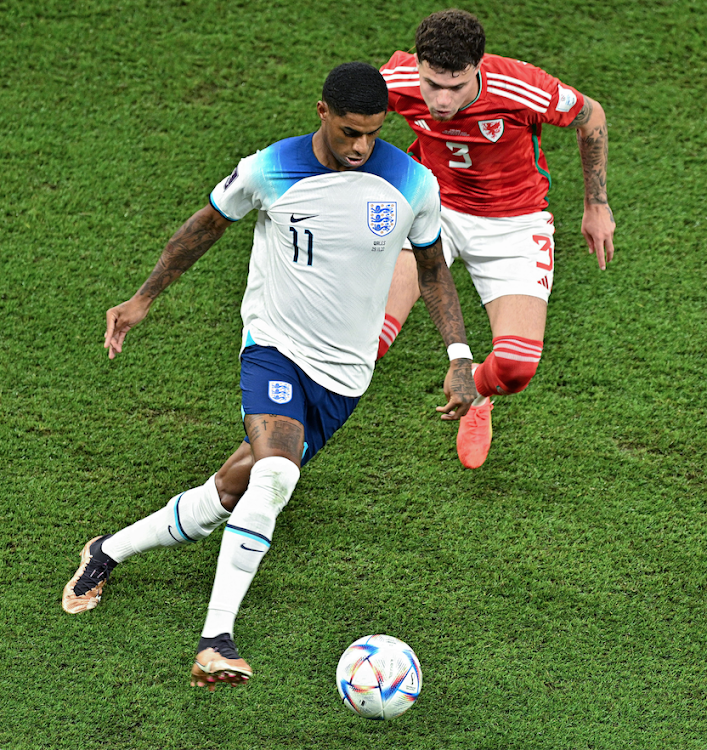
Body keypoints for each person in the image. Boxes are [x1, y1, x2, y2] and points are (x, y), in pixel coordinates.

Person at [62, 62, 476, 690]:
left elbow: (433, 271)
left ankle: (106, 552)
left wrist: (458, 356)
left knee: (233, 490)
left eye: (371, 133)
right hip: (274, 347)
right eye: (347, 132)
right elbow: (204, 226)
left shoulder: (412, 184)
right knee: (277, 473)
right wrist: (143, 298)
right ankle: (215, 641)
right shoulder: (270, 168)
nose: (360, 147)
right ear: (322, 113)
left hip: (344, 376)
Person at [378, 9, 616, 468]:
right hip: (433, 208)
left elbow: (593, 117)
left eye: (456, 87)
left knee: (515, 369)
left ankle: (479, 396)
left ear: (479, 67)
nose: (441, 100)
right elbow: (351, 121)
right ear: (419, 69)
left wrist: (596, 203)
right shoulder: (398, 79)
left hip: (514, 223)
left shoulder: (523, 88)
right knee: (370, 340)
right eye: (432, 85)